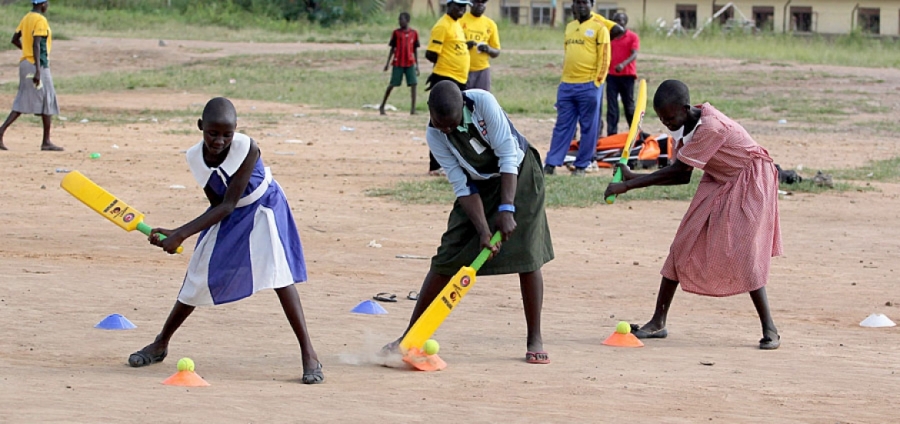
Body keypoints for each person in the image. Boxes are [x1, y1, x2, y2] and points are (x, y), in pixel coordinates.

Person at [128, 98, 325, 383]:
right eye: (213, 133)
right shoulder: (195, 157)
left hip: (263, 208)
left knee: (279, 276)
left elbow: (229, 204)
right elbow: (216, 203)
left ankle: (310, 354)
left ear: (236, 131)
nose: (219, 140)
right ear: (200, 127)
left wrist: (182, 233)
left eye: (226, 134)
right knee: (198, 273)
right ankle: (160, 343)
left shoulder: (248, 148)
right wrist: (174, 232)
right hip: (229, 211)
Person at [604, 80, 782, 350]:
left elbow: (679, 173)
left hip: (749, 180)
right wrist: (634, 176)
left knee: (745, 252)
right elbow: (680, 174)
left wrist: (627, 185)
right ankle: (658, 321)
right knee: (682, 244)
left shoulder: (710, 129)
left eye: (671, 117)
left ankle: (770, 328)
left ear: (686, 109)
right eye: (662, 119)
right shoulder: (687, 126)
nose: (667, 124)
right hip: (719, 178)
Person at [386, 81, 555, 364]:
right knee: (446, 257)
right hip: (478, 184)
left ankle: (534, 337)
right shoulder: (435, 134)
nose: (447, 131)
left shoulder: (483, 104)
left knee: (527, 255)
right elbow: (461, 184)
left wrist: (506, 208)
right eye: (441, 125)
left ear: (462, 106)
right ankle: (410, 336)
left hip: (519, 175)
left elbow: (507, 156)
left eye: (451, 125)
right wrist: (483, 230)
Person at [543, 0, 611, 176]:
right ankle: (551, 163)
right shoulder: (570, 27)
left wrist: (597, 82)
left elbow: (604, 59)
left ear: (591, 4)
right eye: (577, 2)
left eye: (584, 2)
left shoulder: (599, 27)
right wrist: (563, 80)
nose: (580, 6)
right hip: (567, 85)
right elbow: (568, 54)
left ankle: (582, 165)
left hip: (589, 85)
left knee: (588, 126)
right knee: (562, 125)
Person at [0, 0, 63, 152]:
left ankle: (45, 140)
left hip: (26, 63)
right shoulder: (40, 20)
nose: (47, 6)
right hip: (37, 64)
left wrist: (25, 52)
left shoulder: (27, 17)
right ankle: (46, 141)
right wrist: (38, 70)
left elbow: (15, 39)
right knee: (46, 98)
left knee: (29, 99)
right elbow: (37, 44)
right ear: (42, 4)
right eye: (46, 4)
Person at [425, 0, 471, 176]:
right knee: (441, 119)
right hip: (446, 78)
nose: (462, 9)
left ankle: (455, 159)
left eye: (464, 6)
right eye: (458, 6)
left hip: (459, 78)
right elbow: (431, 53)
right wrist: (446, 66)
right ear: (449, 5)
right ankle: (436, 164)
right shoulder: (442, 26)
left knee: (457, 120)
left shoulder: (457, 24)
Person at [379, 12, 420, 116]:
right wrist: (387, 63)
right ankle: (382, 105)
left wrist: (417, 65)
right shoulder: (396, 33)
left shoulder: (414, 34)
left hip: (410, 63)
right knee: (393, 84)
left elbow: (415, 49)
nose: (400, 22)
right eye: (399, 20)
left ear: (407, 21)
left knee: (414, 84)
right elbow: (392, 48)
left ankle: (413, 109)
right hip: (398, 63)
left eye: (401, 20)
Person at [605, 12, 639, 136]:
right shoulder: (609, 37)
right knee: (612, 107)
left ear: (625, 22)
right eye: (616, 20)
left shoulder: (632, 37)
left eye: (621, 20)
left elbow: (634, 53)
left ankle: (634, 132)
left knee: (629, 106)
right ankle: (612, 134)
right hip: (612, 76)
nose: (618, 23)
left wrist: (623, 64)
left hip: (627, 75)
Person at [459, 0, 500, 91]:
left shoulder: (490, 24)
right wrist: (465, 46)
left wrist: (488, 49)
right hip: (463, 69)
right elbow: (452, 46)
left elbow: (496, 51)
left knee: (482, 99)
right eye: (477, 2)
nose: (480, 5)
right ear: (470, 3)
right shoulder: (460, 21)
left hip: (482, 70)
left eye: (483, 3)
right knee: (462, 99)